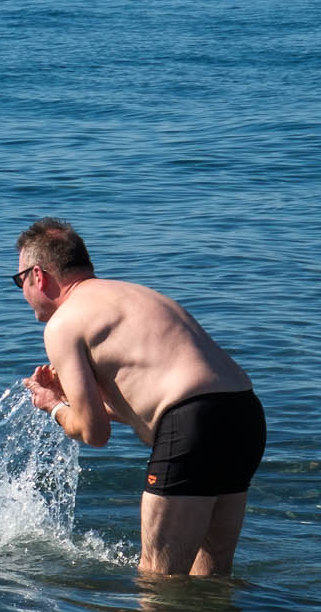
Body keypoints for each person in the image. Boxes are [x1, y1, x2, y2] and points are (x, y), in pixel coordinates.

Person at [14, 218, 266, 576]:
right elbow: (152, 405)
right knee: (212, 578)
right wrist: (73, 402)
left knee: (158, 582)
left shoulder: (64, 322)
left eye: (19, 280)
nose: (22, 292)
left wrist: (52, 405)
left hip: (192, 422)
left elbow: (94, 434)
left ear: (38, 276)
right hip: (244, 415)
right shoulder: (135, 295)